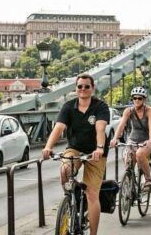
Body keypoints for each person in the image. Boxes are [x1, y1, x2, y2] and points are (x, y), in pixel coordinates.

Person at [42, 74, 109, 235]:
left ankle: (93, 233)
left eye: (87, 86)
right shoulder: (68, 106)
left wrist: (99, 148)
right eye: (80, 86)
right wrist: (47, 147)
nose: (83, 89)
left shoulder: (100, 106)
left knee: (92, 194)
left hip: (95, 152)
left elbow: (100, 129)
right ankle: (70, 198)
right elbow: (58, 128)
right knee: (64, 170)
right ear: (76, 89)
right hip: (75, 148)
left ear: (92, 88)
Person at [110, 87, 151, 192]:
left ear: (144, 99)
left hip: (145, 140)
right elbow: (121, 125)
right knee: (128, 159)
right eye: (134, 98)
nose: (137, 100)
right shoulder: (128, 111)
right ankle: (131, 183)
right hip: (132, 140)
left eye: (140, 98)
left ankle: (148, 179)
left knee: (140, 154)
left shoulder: (149, 110)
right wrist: (114, 138)